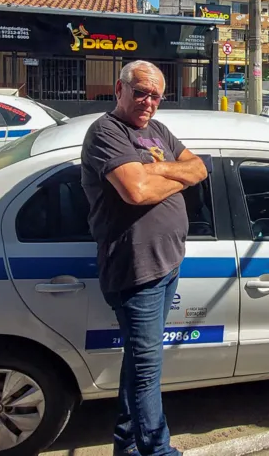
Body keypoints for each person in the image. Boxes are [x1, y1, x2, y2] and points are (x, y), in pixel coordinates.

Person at [80, 60, 207, 456]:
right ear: (120, 90)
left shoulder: (157, 131)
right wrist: (168, 176)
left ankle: (127, 445)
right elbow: (136, 192)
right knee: (147, 368)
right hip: (136, 270)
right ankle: (157, 449)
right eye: (140, 92)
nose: (148, 101)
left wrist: (159, 169)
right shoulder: (106, 132)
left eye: (155, 95)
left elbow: (200, 167)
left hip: (166, 264)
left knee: (139, 364)